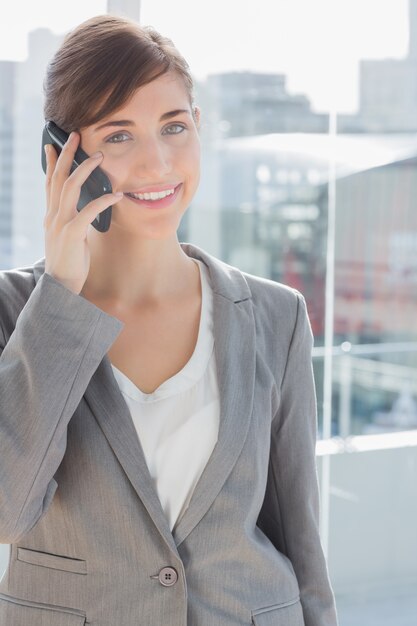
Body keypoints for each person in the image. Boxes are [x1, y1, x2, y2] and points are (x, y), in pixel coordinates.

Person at [0, 14, 338, 626]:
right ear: (61, 154)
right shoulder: (17, 313)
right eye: (119, 135)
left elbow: (300, 541)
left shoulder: (275, 316)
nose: (158, 163)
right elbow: (5, 509)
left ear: (198, 127)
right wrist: (62, 294)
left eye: (173, 126)